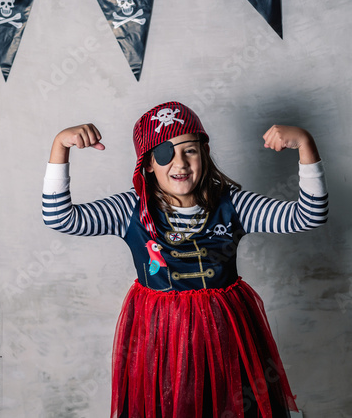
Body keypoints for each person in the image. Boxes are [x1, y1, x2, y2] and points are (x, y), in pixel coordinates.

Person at [42, 101, 328, 418]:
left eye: (189, 150)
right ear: (148, 163)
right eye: (165, 153)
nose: (180, 163)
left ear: (203, 154)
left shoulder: (234, 205)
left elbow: (308, 216)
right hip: (159, 340)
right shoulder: (129, 210)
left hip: (225, 336)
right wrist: (60, 147)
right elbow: (60, 218)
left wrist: (304, 143)